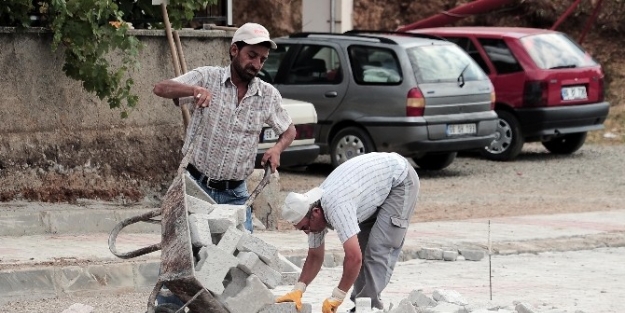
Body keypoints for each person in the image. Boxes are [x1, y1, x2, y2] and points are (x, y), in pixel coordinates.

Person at [152, 22, 296, 312]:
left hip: (236, 194)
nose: (256, 63)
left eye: (262, 60)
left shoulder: (267, 95)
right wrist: (193, 91)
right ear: (234, 50)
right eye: (251, 55)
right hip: (195, 185)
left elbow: (289, 130)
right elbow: (160, 87)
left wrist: (277, 149)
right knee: (183, 260)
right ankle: (167, 307)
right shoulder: (208, 78)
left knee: (241, 263)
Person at [276, 152, 420, 312]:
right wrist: (298, 289)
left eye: (305, 227)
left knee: (379, 248)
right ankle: (360, 305)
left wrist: (337, 297)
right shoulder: (314, 208)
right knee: (364, 248)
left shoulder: (337, 206)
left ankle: (368, 308)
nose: (307, 232)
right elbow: (315, 256)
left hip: (399, 180)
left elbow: (353, 258)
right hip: (373, 189)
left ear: (315, 212)